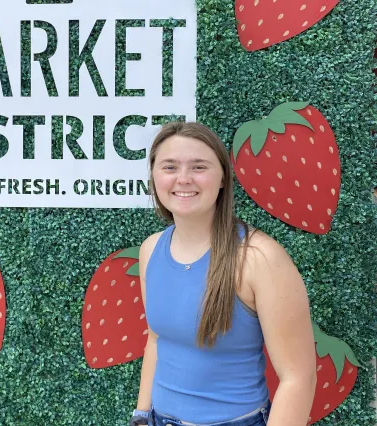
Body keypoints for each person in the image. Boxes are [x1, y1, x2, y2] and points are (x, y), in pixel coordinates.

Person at [128, 122, 317, 426]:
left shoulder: (259, 258)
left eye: (199, 166)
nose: (184, 178)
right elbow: (156, 339)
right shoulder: (151, 249)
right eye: (170, 166)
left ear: (222, 179)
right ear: (154, 176)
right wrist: (140, 415)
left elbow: (299, 377)